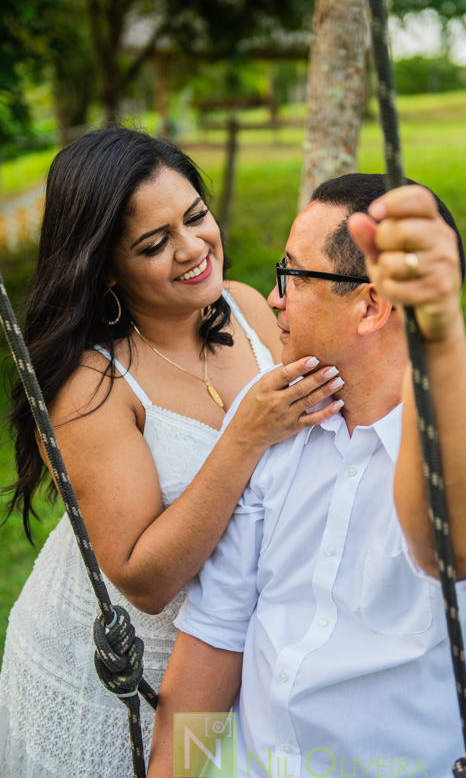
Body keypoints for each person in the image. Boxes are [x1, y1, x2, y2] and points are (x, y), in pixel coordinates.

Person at [148, 173, 466, 778]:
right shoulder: (279, 419)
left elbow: (449, 547)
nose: (273, 299)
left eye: (292, 275)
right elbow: (217, 635)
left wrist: (438, 336)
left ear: (371, 305)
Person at [0, 127, 343, 778]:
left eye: (195, 217)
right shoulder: (90, 388)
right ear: (104, 266)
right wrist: (244, 436)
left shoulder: (246, 308)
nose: (192, 249)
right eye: (154, 244)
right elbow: (144, 578)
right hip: (125, 675)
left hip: (242, 651)